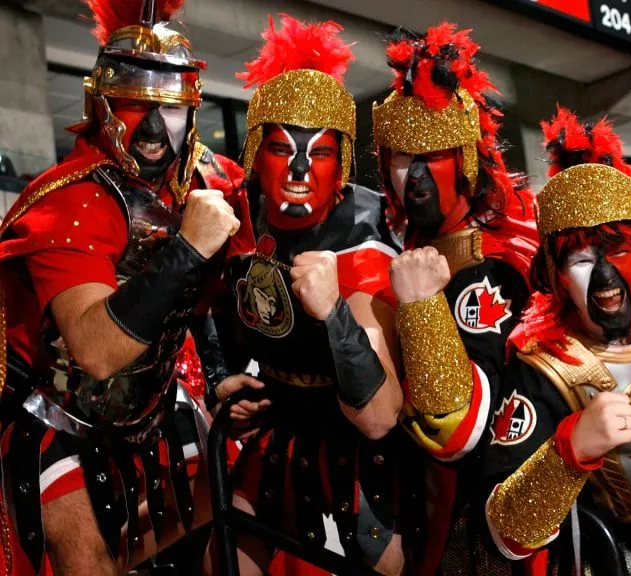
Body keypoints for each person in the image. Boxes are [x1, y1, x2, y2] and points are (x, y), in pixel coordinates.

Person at [0, 0, 248, 574]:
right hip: (55, 413)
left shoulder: (207, 179)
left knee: (243, 493)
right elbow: (95, 350)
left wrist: (231, 376)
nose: (156, 129)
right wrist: (188, 248)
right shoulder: (70, 200)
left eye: (171, 107)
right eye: (135, 105)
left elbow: (244, 295)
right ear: (101, 104)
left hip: (159, 402)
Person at [481, 108, 631, 573]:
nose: (604, 278)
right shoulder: (545, 367)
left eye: (617, 250)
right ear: (554, 276)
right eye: (578, 259)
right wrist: (567, 452)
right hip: (617, 558)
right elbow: (503, 533)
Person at [203, 15, 405, 575]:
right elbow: (206, 307)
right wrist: (221, 378)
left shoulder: (361, 230)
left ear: (342, 161)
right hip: (274, 425)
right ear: (252, 153)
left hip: (354, 443)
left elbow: (379, 416)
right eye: (279, 147)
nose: (296, 168)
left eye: (317, 152)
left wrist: (335, 312)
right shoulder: (232, 210)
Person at [373, 22, 539, 573]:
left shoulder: (495, 264)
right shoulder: (406, 244)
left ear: (466, 158)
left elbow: (457, 429)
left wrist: (421, 307)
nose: (414, 173)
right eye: (400, 158)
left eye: (434, 154)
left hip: (483, 525)